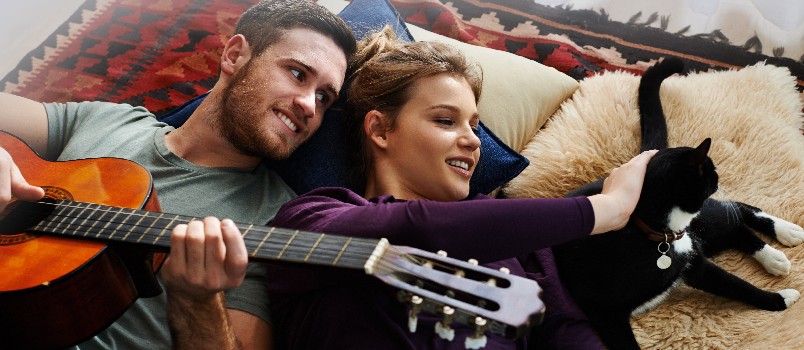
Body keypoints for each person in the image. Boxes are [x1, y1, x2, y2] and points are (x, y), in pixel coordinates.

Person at [263, 27, 658, 349]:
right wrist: (606, 208)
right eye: (446, 121)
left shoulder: (523, 237)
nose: (474, 141)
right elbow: (418, 228)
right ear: (380, 130)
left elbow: (566, 333)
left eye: (473, 125)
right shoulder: (312, 215)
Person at [0, 1, 355, 349]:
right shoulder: (109, 120)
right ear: (234, 55)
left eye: (324, 97)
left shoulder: (281, 220)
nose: (309, 105)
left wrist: (199, 302)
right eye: (297, 74)